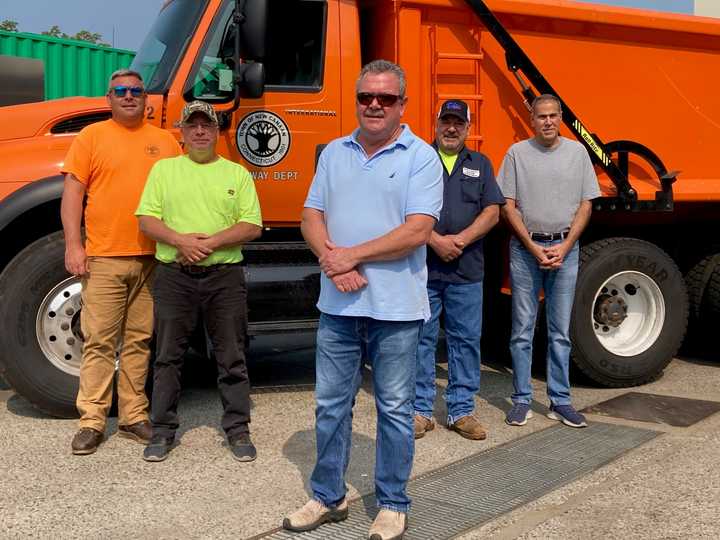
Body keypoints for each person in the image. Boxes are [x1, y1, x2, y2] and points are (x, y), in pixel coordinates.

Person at [283, 60, 443, 540]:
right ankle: (328, 496)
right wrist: (334, 259)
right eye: (366, 97)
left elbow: (418, 230)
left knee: (394, 408)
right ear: (356, 100)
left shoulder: (421, 157)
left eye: (386, 98)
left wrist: (350, 256)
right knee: (330, 406)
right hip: (337, 306)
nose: (374, 105)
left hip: (396, 309)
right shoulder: (334, 152)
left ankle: (393, 503)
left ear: (402, 105)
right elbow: (311, 215)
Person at [61, 69, 182, 455]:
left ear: (146, 99)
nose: (129, 96)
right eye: (121, 91)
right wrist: (73, 245)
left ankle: (133, 416)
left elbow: (180, 194)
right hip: (105, 256)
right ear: (109, 98)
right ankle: (92, 421)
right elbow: (73, 194)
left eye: (136, 91)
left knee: (139, 341)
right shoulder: (91, 137)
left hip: (153, 258)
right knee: (99, 341)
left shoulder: (165, 142)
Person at [135, 101, 262, 462]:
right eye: (193, 125)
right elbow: (147, 220)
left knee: (232, 355)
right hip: (175, 276)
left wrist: (208, 244)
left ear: (218, 131)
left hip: (224, 277)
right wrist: (182, 242)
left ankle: (238, 430)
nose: (201, 131)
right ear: (183, 132)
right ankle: (161, 431)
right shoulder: (164, 171)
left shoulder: (236, 174)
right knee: (167, 356)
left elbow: (251, 225)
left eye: (207, 125)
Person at [496, 94, 600, 428]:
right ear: (532, 119)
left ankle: (561, 401)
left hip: (565, 250)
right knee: (522, 331)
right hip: (527, 251)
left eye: (554, 115)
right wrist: (532, 246)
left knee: (560, 332)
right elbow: (507, 206)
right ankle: (522, 400)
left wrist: (566, 246)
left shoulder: (577, 153)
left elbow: (586, 204)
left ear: (561, 118)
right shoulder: (517, 154)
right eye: (541, 116)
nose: (548, 122)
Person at [414, 100, 505, 441]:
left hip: (466, 270)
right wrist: (436, 241)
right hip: (423, 269)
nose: (451, 128)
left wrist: (460, 240)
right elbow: (404, 209)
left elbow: (493, 212)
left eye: (458, 123)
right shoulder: (420, 161)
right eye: (446, 121)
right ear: (436, 124)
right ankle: (421, 411)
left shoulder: (480, 164)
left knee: (465, 340)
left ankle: (461, 410)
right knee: (421, 340)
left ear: (468, 128)